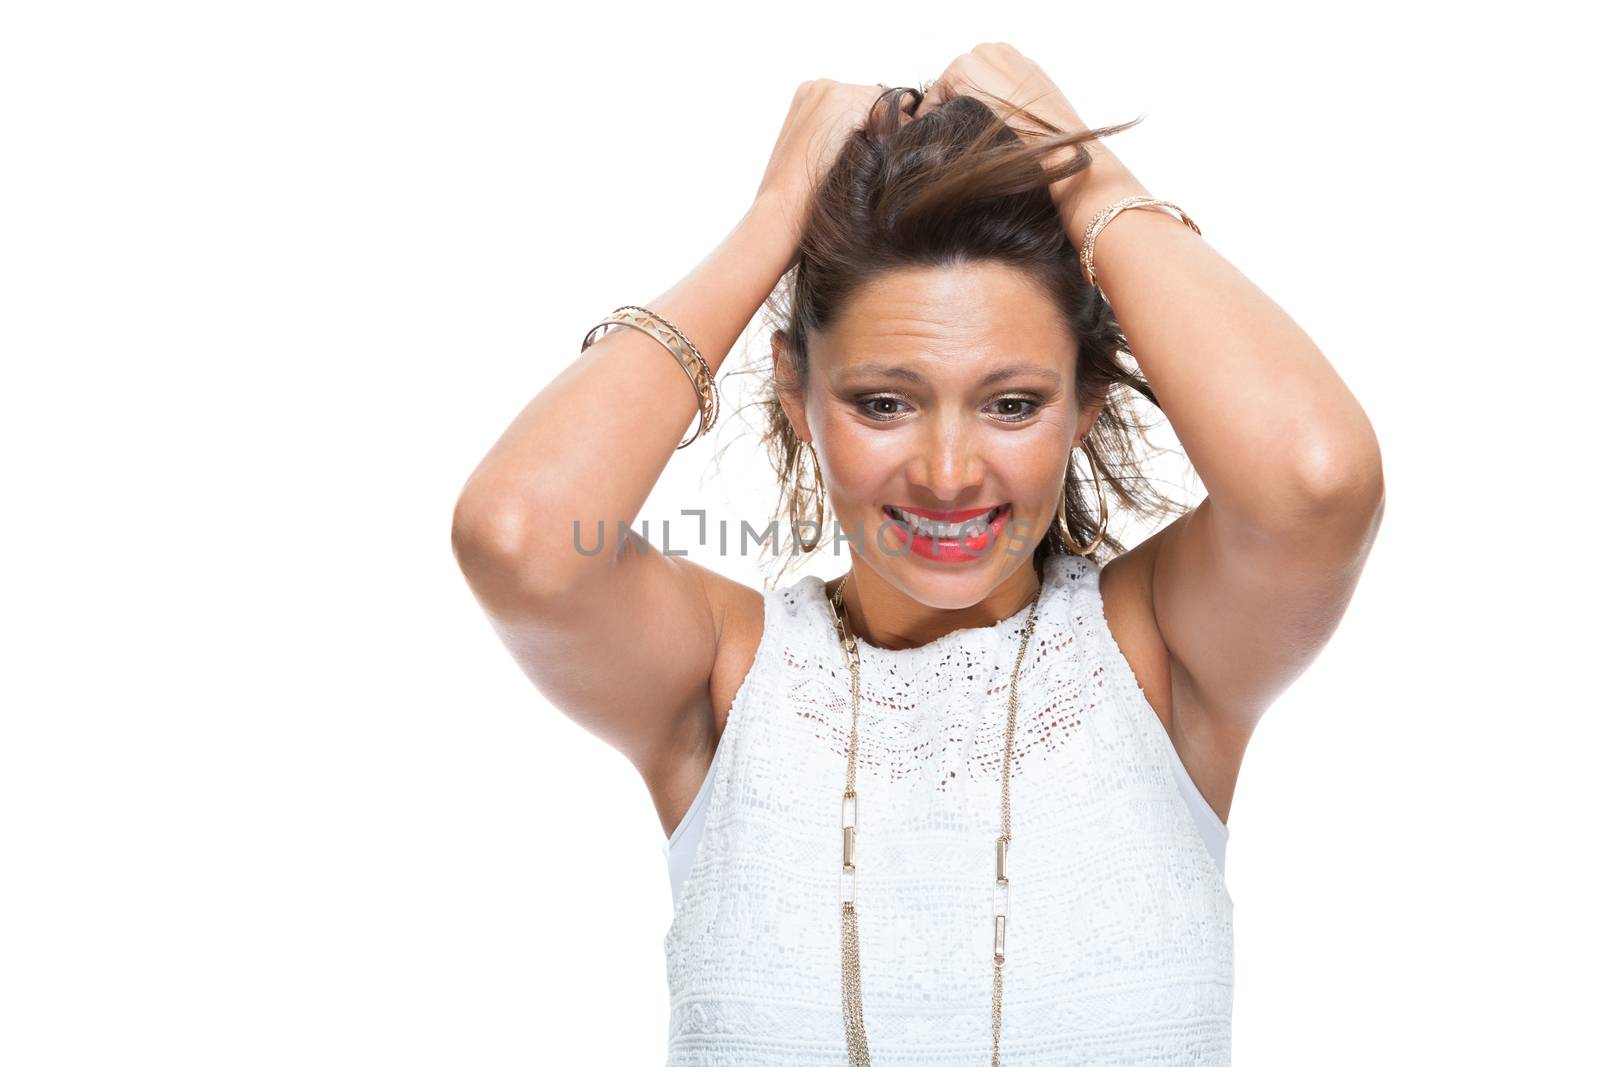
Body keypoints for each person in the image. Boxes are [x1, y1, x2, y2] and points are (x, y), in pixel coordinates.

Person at [452, 42, 1384, 1067]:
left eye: (1013, 402)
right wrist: (773, 216)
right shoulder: (723, 671)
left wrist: (1093, 177)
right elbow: (521, 537)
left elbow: (1314, 479)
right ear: (798, 395)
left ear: (1083, 407)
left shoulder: (1159, 651)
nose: (947, 472)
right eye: (882, 401)